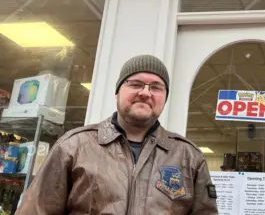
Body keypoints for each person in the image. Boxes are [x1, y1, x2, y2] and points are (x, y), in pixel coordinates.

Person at [16, 54, 219, 215]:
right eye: (136, 84)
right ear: (117, 92)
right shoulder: (73, 147)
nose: (146, 93)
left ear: (164, 98)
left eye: (156, 87)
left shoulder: (189, 157)